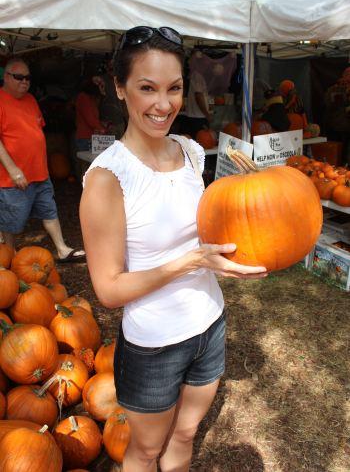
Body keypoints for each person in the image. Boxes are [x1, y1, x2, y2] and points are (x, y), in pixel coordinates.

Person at [80, 26, 266, 472]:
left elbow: (199, 230)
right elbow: (108, 289)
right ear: (120, 90)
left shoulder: (188, 151)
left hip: (209, 325)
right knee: (144, 451)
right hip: (154, 346)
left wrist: (254, 205)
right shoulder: (108, 179)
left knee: (185, 435)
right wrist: (190, 262)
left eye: (174, 88)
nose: (164, 105)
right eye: (147, 88)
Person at [0, 57, 85, 263]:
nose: (24, 82)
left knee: (49, 210)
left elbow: (37, 128)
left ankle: (62, 248)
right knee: (12, 221)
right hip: (14, 177)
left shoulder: (30, 100)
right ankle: (7, 256)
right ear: (6, 76)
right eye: (19, 77)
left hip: (40, 172)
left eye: (28, 78)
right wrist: (13, 169)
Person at [75, 78, 109, 152]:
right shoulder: (83, 97)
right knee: (89, 162)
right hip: (85, 138)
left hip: (90, 138)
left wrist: (102, 125)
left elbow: (93, 119)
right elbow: (91, 119)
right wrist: (103, 129)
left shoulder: (90, 99)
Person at [181, 68, 212, 139]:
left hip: (198, 116)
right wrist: (207, 114)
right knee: (200, 141)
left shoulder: (198, 75)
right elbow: (198, 96)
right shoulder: (198, 76)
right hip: (198, 116)